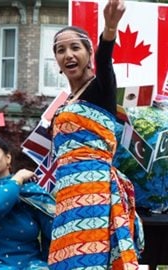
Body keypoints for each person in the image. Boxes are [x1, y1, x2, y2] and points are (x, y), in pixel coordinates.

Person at [47, 0, 144, 269]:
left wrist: (110, 28)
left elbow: (105, 59)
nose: (68, 54)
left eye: (75, 47)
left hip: (96, 192)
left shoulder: (101, 88)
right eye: (60, 50)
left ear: (89, 53)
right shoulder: (65, 103)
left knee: (93, 260)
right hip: (66, 193)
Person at [0, 134, 55, 269]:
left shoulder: (31, 189)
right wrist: (17, 179)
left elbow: (54, 230)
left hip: (33, 264)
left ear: (8, 158)